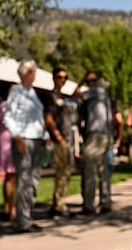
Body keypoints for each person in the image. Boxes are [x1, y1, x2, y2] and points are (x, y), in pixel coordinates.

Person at [3, 59, 46, 233]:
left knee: (34, 179)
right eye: (30, 71)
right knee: (24, 179)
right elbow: (8, 117)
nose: (33, 74)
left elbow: (38, 118)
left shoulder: (33, 93)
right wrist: (17, 137)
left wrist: (45, 135)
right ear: (22, 73)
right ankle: (23, 219)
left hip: (36, 139)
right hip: (24, 139)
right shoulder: (16, 91)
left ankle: (28, 213)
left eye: (35, 71)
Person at [78, 71, 113, 215]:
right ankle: (106, 202)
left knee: (89, 170)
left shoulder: (94, 91)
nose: (89, 84)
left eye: (91, 81)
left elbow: (76, 93)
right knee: (103, 170)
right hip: (105, 134)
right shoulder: (104, 93)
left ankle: (89, 205)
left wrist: (81, 81)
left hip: (94, 134)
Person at [44, 67, 73, 218]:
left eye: (65, 77)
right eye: (60, 77)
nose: (63, 80)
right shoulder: (50, 97)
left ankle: (57, 204)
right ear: (54, 78)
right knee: (62, 173)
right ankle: (60, 206)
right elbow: (48, 118)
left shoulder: (64, 97)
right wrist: (57, 135)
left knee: (66, 173)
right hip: (59, 140)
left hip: (67, 138)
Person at [0, 100, 15, 221]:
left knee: (9, 176)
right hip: (10, 141)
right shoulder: (9, 105)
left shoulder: (2, 105)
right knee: (11, 176)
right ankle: (11, 208)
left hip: (4, 140)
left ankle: (8, 206)